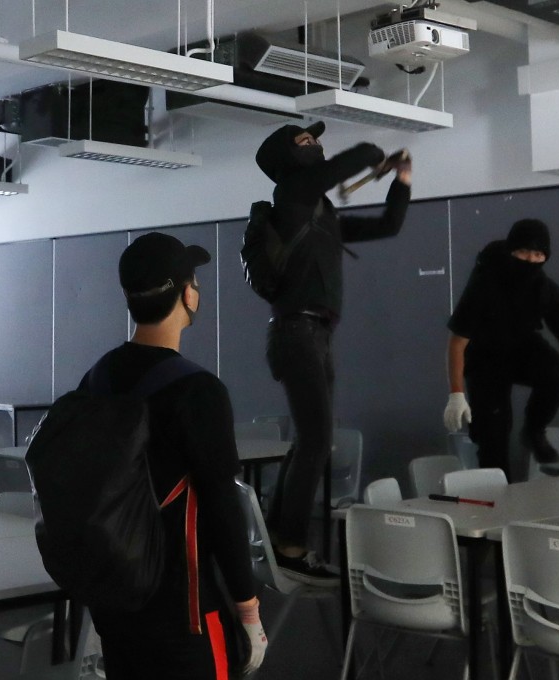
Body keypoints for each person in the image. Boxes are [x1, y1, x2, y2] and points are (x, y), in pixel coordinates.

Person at [86, 232, 266, 679]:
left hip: (113, 600)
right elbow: (222, 505)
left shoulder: (96, 378)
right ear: (187, 294)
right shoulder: (197, 391)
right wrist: (248, 608)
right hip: (182, 611)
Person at [256, 121, 412, 585]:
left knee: (310, 440)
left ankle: (277, 536)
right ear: (288, 160)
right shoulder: (292, 194)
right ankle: (290, 545)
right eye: (305, 142)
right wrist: (375, 154)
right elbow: (359, 152)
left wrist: (400, 181)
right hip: (297, 332)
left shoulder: (318, 212)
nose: (316, 144)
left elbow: (388, 224)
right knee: (317, 441)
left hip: (313, 334)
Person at [444, 219, 559, 479]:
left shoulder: (546, 290)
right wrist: (456, 394)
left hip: (523, 348)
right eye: (523, 252)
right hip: (484, 360)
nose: (530, 260)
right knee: (493, 439)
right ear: (511, 251)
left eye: (538, 254)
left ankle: (534, 430)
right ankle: (498, 502)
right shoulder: (484, 284)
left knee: (558, 371)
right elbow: (458, 342)